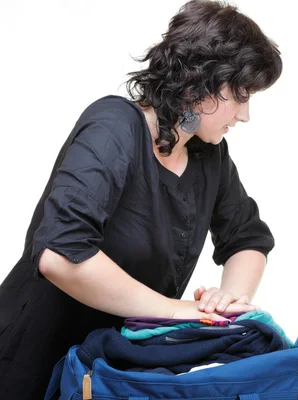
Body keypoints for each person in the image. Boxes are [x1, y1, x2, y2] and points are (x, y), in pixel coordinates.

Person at [0, 1, 282, 398]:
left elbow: (248, 239)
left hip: (116, 369)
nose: (246, 114)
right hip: (34, 362)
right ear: (199, 83)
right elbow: (60, 253)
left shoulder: (209, 154)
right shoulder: (113, 126)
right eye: (240, 94)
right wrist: (172, 309)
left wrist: (228, 299)